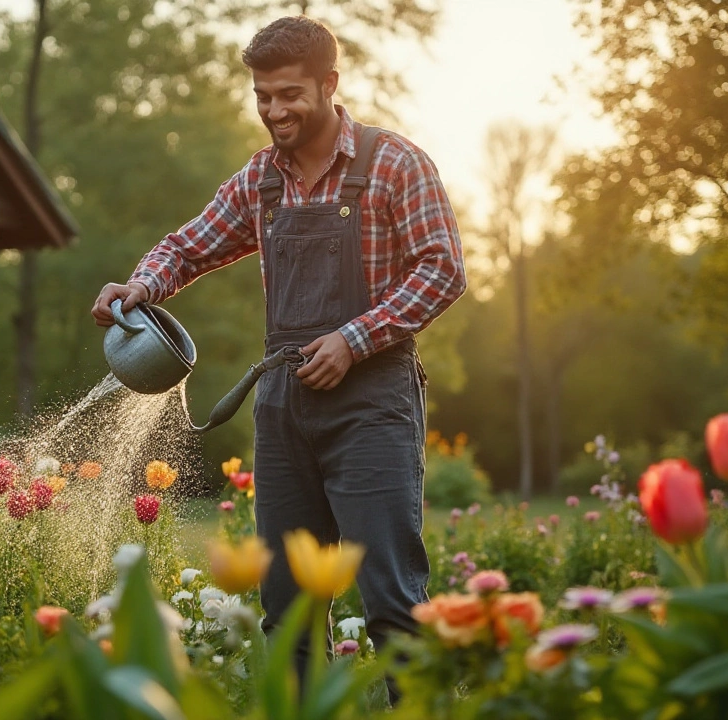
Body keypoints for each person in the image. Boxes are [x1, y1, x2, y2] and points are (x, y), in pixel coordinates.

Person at [91, 15, 466, 700]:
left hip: (372, 405)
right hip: (285, 405)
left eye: (289, 94)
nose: (274, 110)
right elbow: (189, 245)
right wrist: (141, 284)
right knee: (286, 609)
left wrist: (354, 340)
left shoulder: (394, 164)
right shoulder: (263, 180)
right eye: (262, 96)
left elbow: (443, 270)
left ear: (329, 84)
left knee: (390, 600)